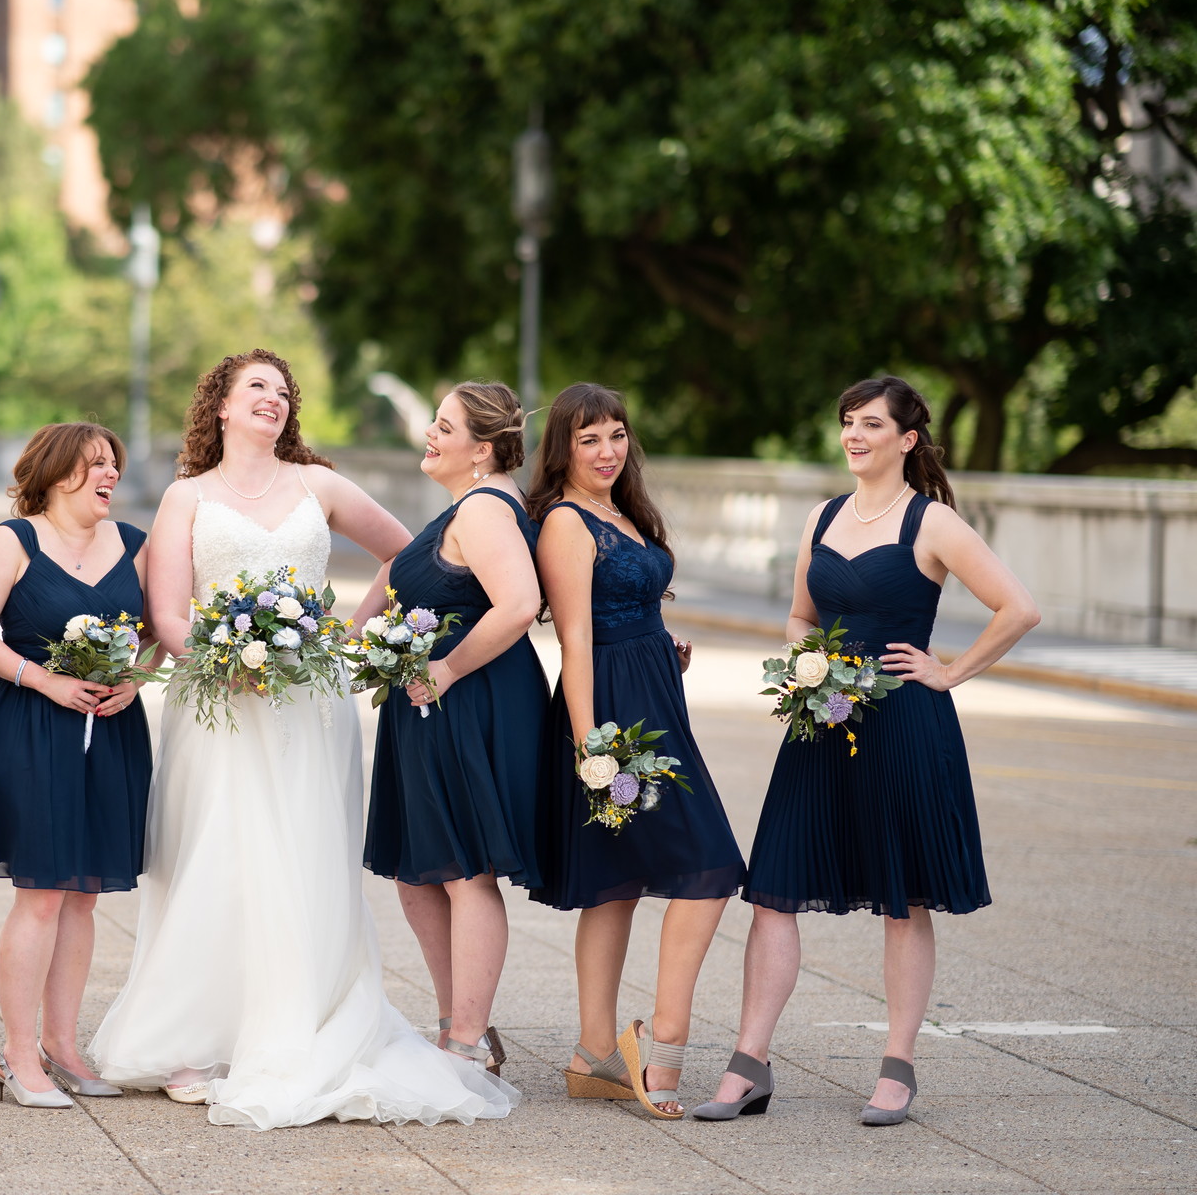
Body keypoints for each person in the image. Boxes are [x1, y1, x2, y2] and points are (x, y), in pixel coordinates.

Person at [90, 348, 518, 1130]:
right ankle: (193, 1034)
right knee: (214, 853)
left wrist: (346, 635)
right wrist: (222, 660)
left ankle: (307, 1016)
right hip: (218, 703)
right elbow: (169, 611)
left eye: (284, 392)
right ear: (220, 404)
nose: (274, 400)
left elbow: (408, 552)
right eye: (257, 387)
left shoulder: (317, 486)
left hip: (308, 704)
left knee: (300, 854)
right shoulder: (188, 497)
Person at [694, 376, 1038, 1126]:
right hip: (820, 724)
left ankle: (897, 1067)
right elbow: (797, 616)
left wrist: (948, 672)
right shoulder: (822, 517)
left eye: (871, 424)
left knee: (904, 897)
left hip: (907, 727)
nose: (853, 435)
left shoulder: (934, 522)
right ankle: (749, 1063)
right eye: (847, 422)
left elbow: (1020, 608)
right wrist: (807, 667)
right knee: (775, 889)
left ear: (907, 440)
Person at [527, 382, 746, 1120]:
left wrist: (662, 651)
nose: (607, 451)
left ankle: (594, 1055)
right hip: (611, 712)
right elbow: (576, 637)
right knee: (709, 864)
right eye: (589, 438)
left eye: (617, 435)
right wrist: (593, 746)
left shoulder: (624, 511)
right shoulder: (565, 521)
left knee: (617, 878)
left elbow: (631, 609)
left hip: (652, 688)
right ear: (562, 448)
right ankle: (664, 1039)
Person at [0, 423, 156, 1109]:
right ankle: (17, 1055)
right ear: (59, 474)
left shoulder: (137, 547)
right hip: (32, 727)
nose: (109, 476)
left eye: (113, 465)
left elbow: (157, 634)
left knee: (83, 895)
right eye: (95, 465)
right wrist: (44, 679)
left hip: (112, 732)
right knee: (42, 895)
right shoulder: (14, 540)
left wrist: (138, 680)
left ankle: (63, 1045)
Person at [362, 381, 546, 1075]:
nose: (430, 436)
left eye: (444, 426)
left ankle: (465, 1041)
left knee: (466, 871)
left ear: (484, 449)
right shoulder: (463, 507)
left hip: (469, 700)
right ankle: (457, 1026)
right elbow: (397, 573)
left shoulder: (488, 509)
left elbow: (520, 603)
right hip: (428, 706)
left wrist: (447, 670)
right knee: (421, 875)